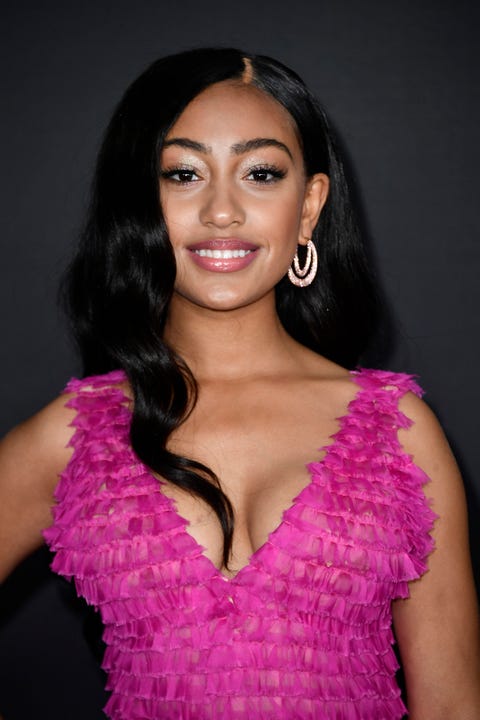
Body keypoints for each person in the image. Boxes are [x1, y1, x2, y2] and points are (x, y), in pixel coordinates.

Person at [0, 47, 478, 720]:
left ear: (309, 205)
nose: (222, 211)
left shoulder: (401, 435)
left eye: (259, 173)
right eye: (183, 173)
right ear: (139, 198)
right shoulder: (76, 435)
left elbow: (454, 706)